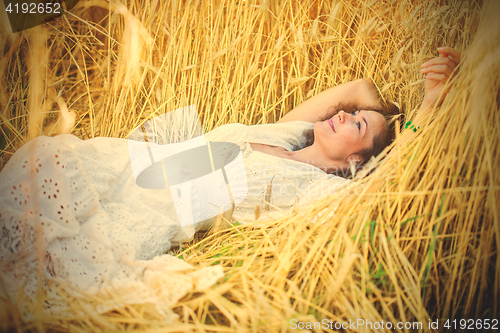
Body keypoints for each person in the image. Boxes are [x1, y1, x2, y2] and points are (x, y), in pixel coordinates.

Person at [0, 47, 461, 300]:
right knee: (38, 167)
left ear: (356, 163)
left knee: (39, 253)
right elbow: (357, 89)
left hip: (147, 209)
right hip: (125, 160)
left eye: (355, 124)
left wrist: (426, 109)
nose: (343, 115)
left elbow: (388, 188)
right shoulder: (287, 137)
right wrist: (377, 115)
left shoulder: (315, 190)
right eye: (349, 115)